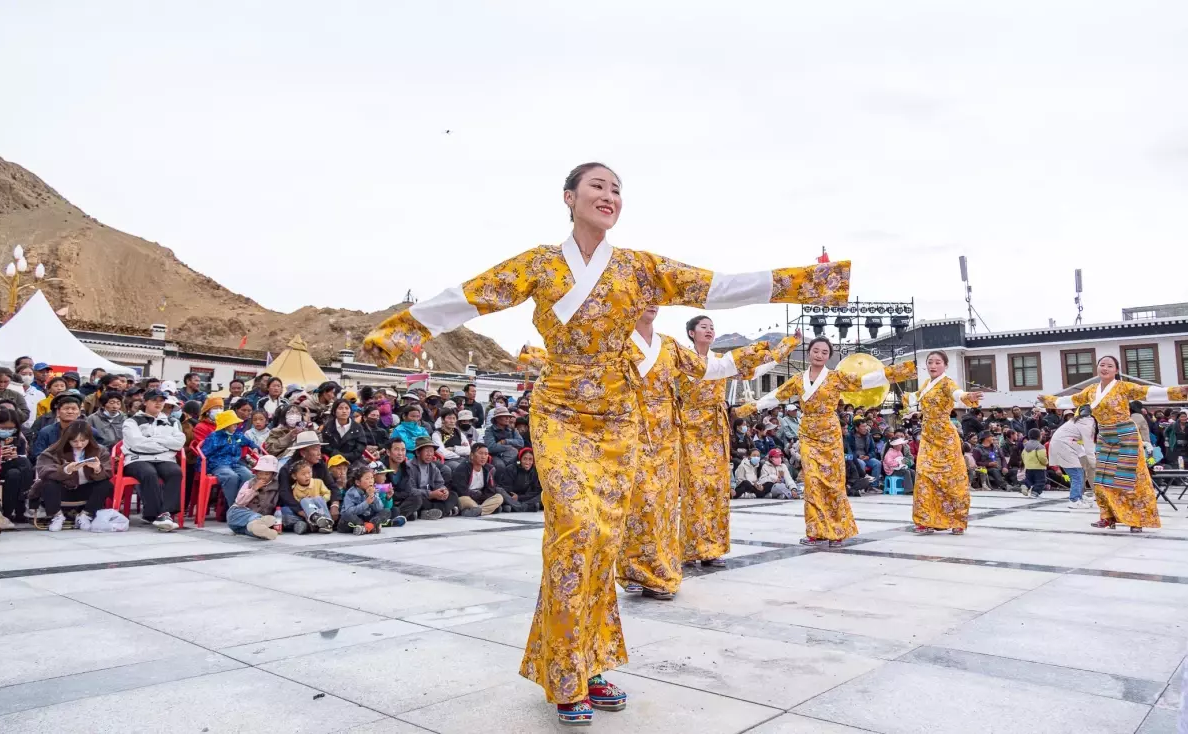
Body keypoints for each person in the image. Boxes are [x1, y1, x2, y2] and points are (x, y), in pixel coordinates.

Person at [361, 162, 848, 723]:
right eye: (597, 186)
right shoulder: (541, 264)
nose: (609, 196)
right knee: (574, 530)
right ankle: (566, 670)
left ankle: (587, 663)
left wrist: (810, 282)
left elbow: (717, 286)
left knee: (601, 542)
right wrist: (404, 328)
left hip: (618, 420)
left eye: (617, 189)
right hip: (561, 411)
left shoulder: (639, 269)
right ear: (568, 197)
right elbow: (473, 295)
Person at [739, 337, 914, 546]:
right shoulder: (798, 379)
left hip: (829, 434)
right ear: (809, 352)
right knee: (812, 482)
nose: (819, 354)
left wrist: (895, 372)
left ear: (829, 356)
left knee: (833, 482)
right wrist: (754, 406)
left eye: (824, 352)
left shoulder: (835, 377)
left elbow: (863, 381)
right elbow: (777, 395)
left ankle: (837, 530)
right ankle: (815, 531)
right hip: (808, 433)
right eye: (815, 350)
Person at [677, 316, 801, 565]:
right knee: (695, 489)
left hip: (716, 429)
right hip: (689, 429)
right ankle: (691, 547)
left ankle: (712, 548)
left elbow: (757, 369)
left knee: (717, 489)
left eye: (712, 327)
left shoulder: (721, 363)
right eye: (704, 327)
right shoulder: (680, 360)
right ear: (691, 333)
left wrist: (789, 344)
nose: (710, 330)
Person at [1039, 355, 1188, 532]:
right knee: (1102, 479)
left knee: (1130, 480)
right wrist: (1049, 400)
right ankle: (1107, 517)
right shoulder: (1091, 390)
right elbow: (1072, 400)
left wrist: (1179, 390)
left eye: (1110, 366)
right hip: (1105, 437)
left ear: (1116, 370)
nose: (1105, 368)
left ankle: (1136, 520)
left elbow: (1147, 391)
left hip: (1126, 436)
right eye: (1102, 365)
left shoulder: (1124, 387)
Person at [902, 351, 984, 535]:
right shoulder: (926, 384)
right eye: (930, 362)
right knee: (923, 477)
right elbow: (916, 397)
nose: (933, 365)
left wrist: (967, 396)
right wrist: (904, 394)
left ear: (945, 365)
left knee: (951, 479)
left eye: (938, 362)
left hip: (945, 438)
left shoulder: (947, 383)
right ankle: (925, 520)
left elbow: (957, 393)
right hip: (928, 437)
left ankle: (957, 520)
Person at [120, 389, 186, 530]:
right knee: (149, 473)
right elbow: (136, 443)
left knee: (175, 472)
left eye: (161, 400)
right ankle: (154, 514)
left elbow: (179, 442)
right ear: (145, 402)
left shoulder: (172, 421)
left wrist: (153, 440)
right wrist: (164, 445)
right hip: (137, 458)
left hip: (163, 459)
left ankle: (165, 513)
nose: (158, 403)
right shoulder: (131, 421)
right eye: (154, 400)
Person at [33, 420, 113, 531]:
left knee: (106, 484)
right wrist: (66, 470)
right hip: (62, 490)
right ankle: (57, 516)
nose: (79, 445)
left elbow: (108, 473)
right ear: (67, 440)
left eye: (83, 441)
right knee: (47, 483)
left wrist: (97, 469)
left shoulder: (100, 450)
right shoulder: (53, 451)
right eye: (74, 441)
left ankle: (86, 515)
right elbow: (44, 471)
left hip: (86, 490)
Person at [199, 409, 258, 507]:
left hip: (235, 463)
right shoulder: (214, 437)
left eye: (236, 423)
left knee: (248, 475)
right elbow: (205, 453)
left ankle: (241, 503)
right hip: (219, 464)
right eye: (233, 424)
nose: (236, 425)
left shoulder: (237, 435)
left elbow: (249, 442)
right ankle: (233, 507)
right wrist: (203, 469)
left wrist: (254, 447)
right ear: (226, 425)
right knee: (231, 477)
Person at [32, 391, 104, 460]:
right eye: (66, 409)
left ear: (79, 413)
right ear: (58, 412)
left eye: (73, 409)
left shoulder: (90, 431)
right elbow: (39, 455)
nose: (70, 412)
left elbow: (99, 452)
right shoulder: (46, 432)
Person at [0, 408, 32, 524]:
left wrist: (15, 455)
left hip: (12, 468)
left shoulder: (19, 439)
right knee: (24, 463)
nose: (6, 431)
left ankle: (8, 513)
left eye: (10, 429)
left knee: (15, 474)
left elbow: (23, 456)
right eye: (3, 428)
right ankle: (24, 500)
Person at [396, 437, 454, 520]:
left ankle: (427, 512)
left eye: (431, 451)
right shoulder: (409, 467)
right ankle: (444, 511)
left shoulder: (433, 467)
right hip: (421, 497)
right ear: (418, 453)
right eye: (427, 451)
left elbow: (439, 483)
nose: (430, 454)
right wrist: (430, 494)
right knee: (418, 500)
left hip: (432, 497)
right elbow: (410, 490)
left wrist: (443, 491)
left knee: (453, 495)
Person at [226, 454, 281, 539]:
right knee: (233, 514)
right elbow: (239, 502)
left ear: (273, 475)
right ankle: (258, 520)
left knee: (250, 530)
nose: (262, 476)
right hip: (240, 515)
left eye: (267, 474)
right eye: (260, 473)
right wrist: (254, 489)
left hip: (254, 519)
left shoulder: (276, 486)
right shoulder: (250, 483)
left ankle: (266, 532)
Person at [450, 443, 505, 516]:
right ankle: (486, 509)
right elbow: (461, 490)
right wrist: (477, 495)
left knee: (499, 497)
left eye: (486, 454)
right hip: (467, 498)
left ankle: (475, 510)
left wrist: (481, 497)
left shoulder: (489, 469)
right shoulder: (462, 468)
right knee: (464, 499)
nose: (483, 457)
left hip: (481, 499)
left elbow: (491, 490)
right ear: (472, 455)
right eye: (480, 453)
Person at [340, 464, 395, 534]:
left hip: (368, 518)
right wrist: (366, 503)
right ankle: (367, 526)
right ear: (358, 482)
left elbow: (379, 508)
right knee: (346, 515)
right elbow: (350, 511)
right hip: (355, 519)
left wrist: (373, 497)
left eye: (372, 478)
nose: (371, 481)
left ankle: (368, 526)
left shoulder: (373, 490)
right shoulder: (351, 493)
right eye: (367, 479)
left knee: (387, 511)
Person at [284, 458, 335, 533]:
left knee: (318, 498)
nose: (307, 476)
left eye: (309, 472)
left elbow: (327, 493)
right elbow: (297, 502)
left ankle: (327, 524)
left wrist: (321, 499)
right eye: (303, 474)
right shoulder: (295, 489)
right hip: (308, 511)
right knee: (304, 500)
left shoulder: (318, 482)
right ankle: (315, 517)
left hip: (320, 506)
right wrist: (307, 501)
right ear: (295, 476)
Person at [320, 400, 367, 465]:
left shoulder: (357, 427)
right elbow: (325, 445)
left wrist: (347, 457)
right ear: (334, 411)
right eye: (340, 408)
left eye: (347, 408)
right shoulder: (328, 427)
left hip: (353, 461)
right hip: (332, 461)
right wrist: (336, 454)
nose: (344, 411)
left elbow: (361, 447)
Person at [500, 447, 543, 511]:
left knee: (543, 494)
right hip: (512, 497)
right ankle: (526, 507)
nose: (527, 462)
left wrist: (520, 497)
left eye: (530, 459)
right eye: (525, 459)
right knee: (499, 490)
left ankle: (515, 507)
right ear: (520, 459)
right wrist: (515, 497)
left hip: (524, 498)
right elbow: (506, 488)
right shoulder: (511, 469)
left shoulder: (535, 471)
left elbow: (536, 491)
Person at [483, 406, 525, 471]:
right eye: (505, 416)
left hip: (513, 455)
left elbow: (521, 443)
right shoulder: (489, 430)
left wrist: (505, 441)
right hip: (496, 456)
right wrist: (509, 447)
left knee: (520, 464)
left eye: (508, 416)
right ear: (497, 418)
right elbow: (490, 447)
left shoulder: (512, 429)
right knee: (500, 466)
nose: (508, 418)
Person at [845, 420, 883, 489]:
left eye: (866, 426)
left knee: (877, 463)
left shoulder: (869, 435)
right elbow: (849, 451)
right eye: (863, 426)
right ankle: (861, 486)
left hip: (866, 457)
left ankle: (873, 486)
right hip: (855, 458)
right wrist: (858, 456)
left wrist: (868, 456)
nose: (865, 428)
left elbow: (873, 450)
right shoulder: (849, 436)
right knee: (861, 463)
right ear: (856, 428)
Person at [1019, 428, 1049, 497]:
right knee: (1040, 481)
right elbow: (1042, 457)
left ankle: (1025, 485)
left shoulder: (1026, 446)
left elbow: (1022, 455)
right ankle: (1035, 492)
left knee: (1029, 479)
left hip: (1028, 467)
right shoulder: (1040, 446)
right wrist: (1046, 462)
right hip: (1039, 468)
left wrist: (1026, 463)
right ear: (1039, 437)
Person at [14, 365, 43, 430]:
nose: (27, 377)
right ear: (17, 375)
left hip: (33, 428)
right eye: (23, 374)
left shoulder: (39, 394)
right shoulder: (11, 391)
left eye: (30, 374)